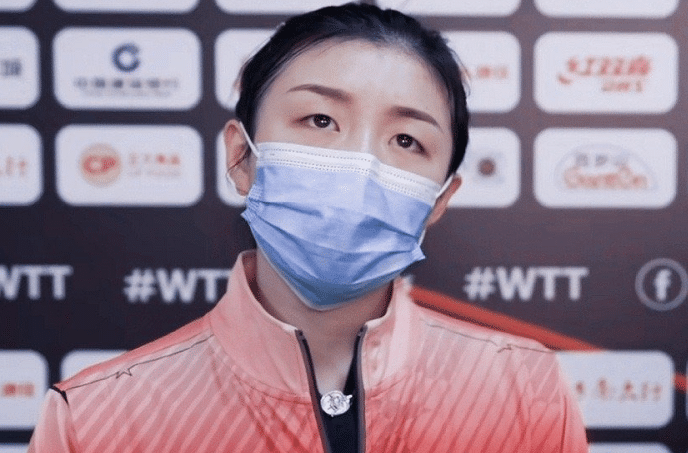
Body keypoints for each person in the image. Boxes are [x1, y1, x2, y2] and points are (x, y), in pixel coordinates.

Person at [29, 3, 587, 452]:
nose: (359, 166)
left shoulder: (524, 391)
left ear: (440, 199)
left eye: (406, 140)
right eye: (320, 120)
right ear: (241, 157)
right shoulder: (96, 419)